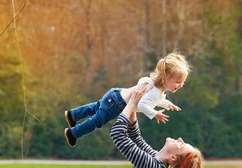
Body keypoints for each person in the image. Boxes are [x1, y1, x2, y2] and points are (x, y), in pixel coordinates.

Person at [63, 52, 191, 147]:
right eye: (178, 82)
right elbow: (142, 105)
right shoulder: (155, 91)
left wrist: (168, 105)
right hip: (117, 104)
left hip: (116, 94)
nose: (180, 85)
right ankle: (73, 133)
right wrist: (155, 114)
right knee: (97, 120)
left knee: (97, 107)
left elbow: (158, 100)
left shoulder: (156, 87)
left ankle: (72, 115)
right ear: (165, 78)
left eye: (182, 82)